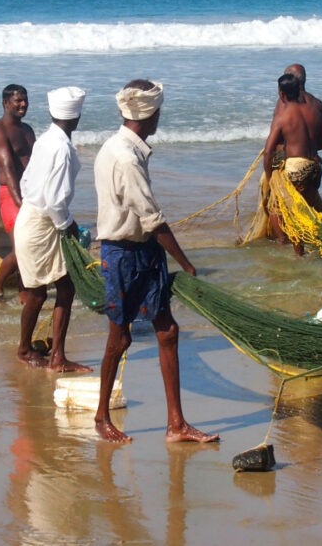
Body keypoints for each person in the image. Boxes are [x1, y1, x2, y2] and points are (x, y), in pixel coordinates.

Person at [93, 79, 220, 445]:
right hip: (123, 255)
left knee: (168, 331)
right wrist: (187, 265)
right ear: (151, 114)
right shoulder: (125, 158)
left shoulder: (120, 147)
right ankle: (101, 417)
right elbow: (153, 220)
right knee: (119, 338)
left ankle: (176, 424)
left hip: (144, 250)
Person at [11, 87, 90, 372]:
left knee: (66, 286)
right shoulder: (61, 148)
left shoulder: (46, 140)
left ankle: (58, 356)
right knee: (37, 293)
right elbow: (56, 201)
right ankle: (24, 349)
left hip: (33, 217)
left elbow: (26, 182)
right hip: (41, 225)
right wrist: (68, 226)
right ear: (76, 117)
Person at [264, 73, 322, 253]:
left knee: (284, 209)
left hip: (296, 168)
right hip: (315, 165)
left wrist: (270, 177)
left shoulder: (283, 116)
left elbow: (268, 151)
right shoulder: (313, 110)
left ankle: (298, 254)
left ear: (281, 94)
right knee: (309, 208)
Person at [0, 84, 36, 300]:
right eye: (18, 101)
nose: (23, 104)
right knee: (21, 249)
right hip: (11, 194)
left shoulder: (27, 130)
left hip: (31, 192)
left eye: (25, 100)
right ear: (6, 103)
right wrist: (21, 204)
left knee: (32, 245)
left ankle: (25, 291)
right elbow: (9, 172)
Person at [271, 63, 322, 148]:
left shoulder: (285, 100)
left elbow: (277, 129)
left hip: (291, 152)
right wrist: (312, 143)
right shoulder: (315, 102)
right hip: (310, 152)